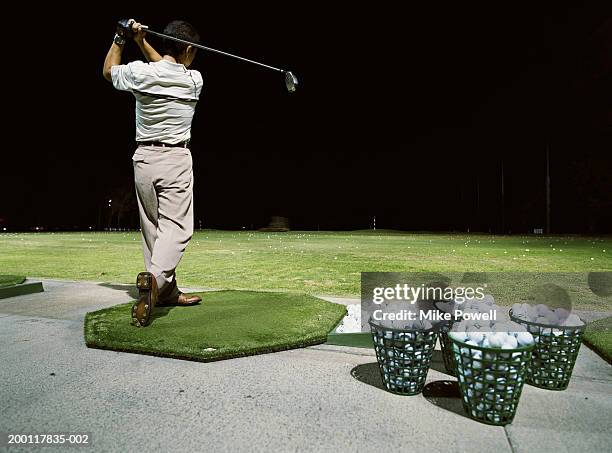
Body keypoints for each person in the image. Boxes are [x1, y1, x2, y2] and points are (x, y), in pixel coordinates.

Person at [103, 19, 203, 327]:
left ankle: (165, 290)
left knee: (153, 229)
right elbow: (168, 69)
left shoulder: (140, 73)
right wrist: (140, 41)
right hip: (175, 158)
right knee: (177, 230)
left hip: (144, 159)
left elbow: (108, 71)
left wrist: (125, 39)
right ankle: (155, 286)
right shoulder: (194, 80)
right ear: (187, 49)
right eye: (193, 51)